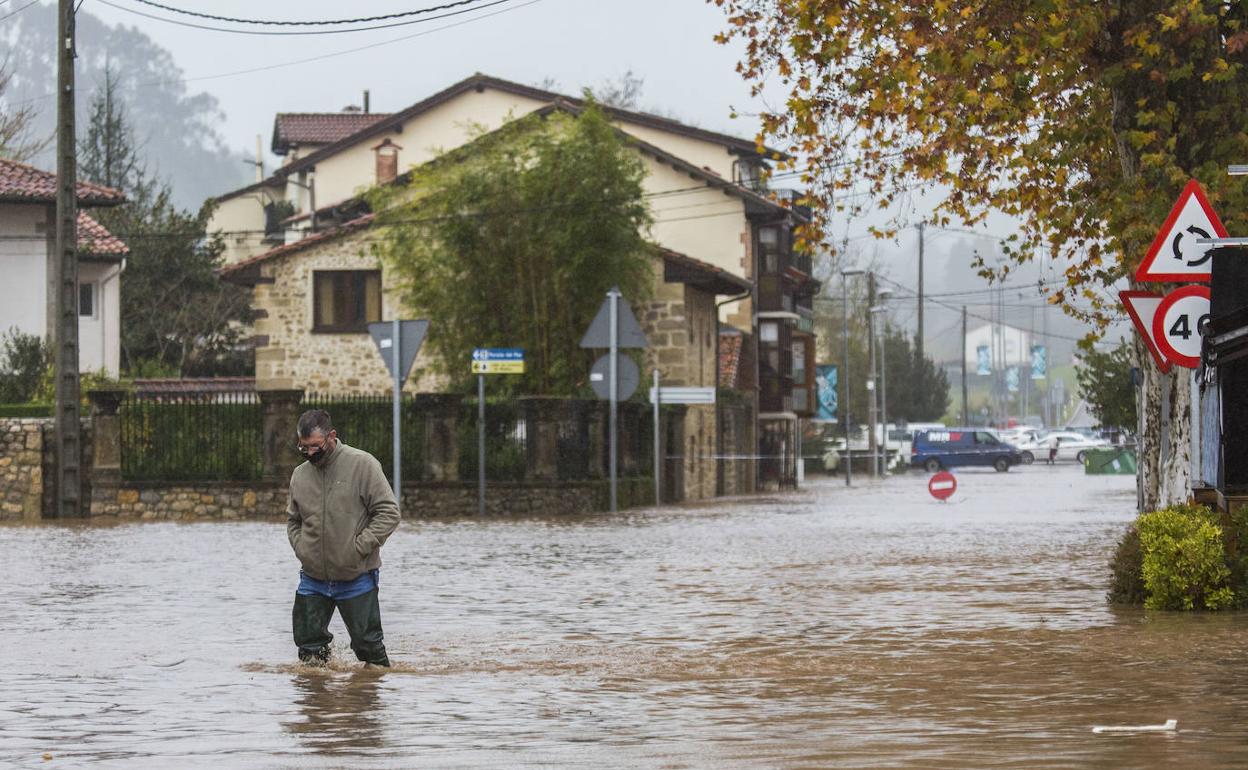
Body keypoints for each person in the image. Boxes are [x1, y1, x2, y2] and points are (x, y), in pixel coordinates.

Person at [287, 409, 400, 667]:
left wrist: (359, 547)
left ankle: (369, 699)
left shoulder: (363, 465)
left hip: (357, 574)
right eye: (303, 448)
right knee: (308, 650)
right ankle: (317, 702)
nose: (310, 453)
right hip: (312, 577)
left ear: (331, 436)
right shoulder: (299, 475)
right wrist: (302, 548)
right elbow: (293, 520)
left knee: (369, 648)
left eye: (315, 446)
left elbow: (389, 513)